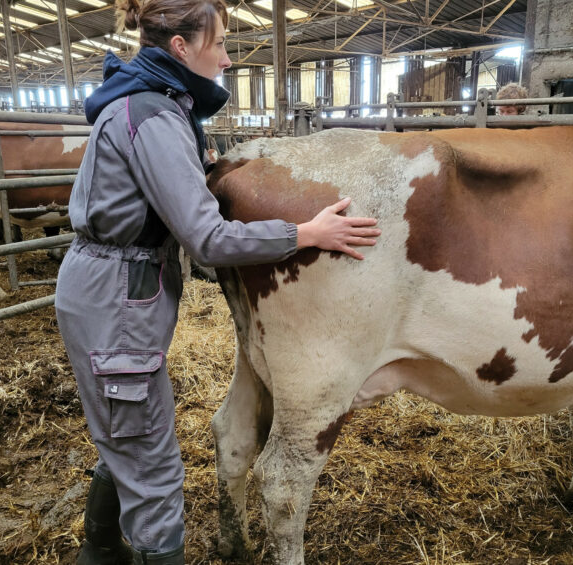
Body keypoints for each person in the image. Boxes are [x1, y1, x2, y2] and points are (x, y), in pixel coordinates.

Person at [54, 0, 380, 563]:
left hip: (112, 288)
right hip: (116, 297)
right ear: (181, 48)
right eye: (220, 45)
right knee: (153, 467)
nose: (228, 59)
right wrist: (303, 233)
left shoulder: (145, 102)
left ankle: (101, 549)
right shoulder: (152, 115)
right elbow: (206, 239)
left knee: (123, 436)